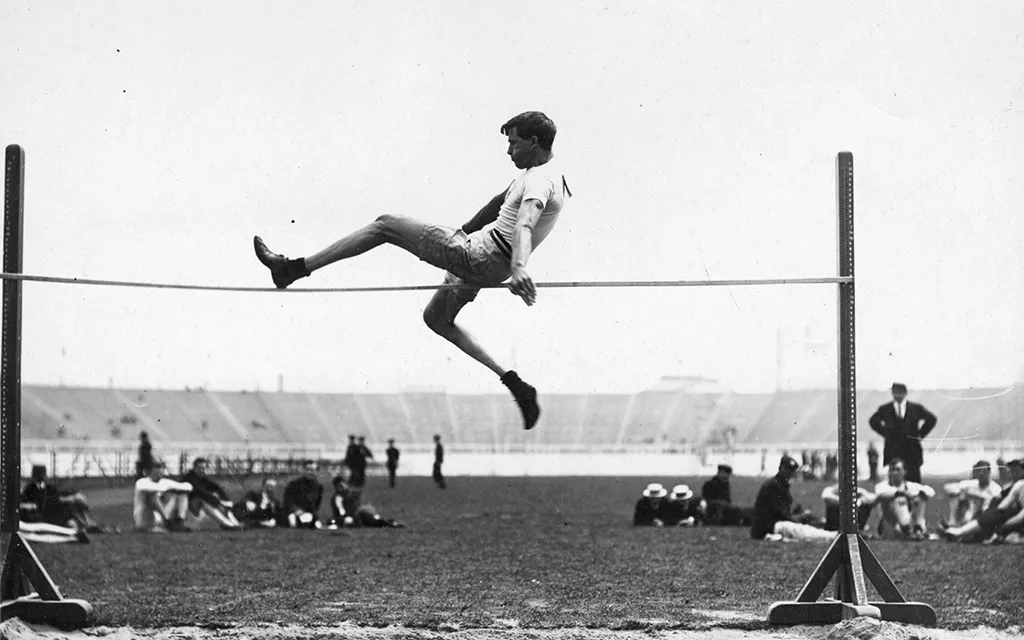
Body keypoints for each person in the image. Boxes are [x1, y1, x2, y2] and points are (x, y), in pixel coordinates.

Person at [253, 112, 571, 432]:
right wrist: (463, 230)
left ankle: (292, 269)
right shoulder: (541, 172)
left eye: (513, 144)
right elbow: (499, 203)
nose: (508, 151)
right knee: (436, 318)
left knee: (385, 225)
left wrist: (519, 268)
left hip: (482, 257)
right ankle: (515, 383)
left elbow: (526, 222)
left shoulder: (539, 181)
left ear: (533, 142)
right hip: (485, 258)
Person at [751, 456, 836, 542]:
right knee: (801, 530)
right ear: (780, 468)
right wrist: (801, 517)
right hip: (770, 527)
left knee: (804, 526)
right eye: (787, 469)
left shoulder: (779, 484)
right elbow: (782, 515)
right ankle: (831, 536)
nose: (789, 473)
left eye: (791, 470)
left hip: (772, 525)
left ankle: (829, 534)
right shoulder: (773, 486)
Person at [940, 458, 1024, 543]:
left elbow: (1015, 513)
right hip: (988, 517)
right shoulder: (1013, 485)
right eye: (1012, 470)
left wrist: (1000, 529)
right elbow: (1002, 506)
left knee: (996, 510)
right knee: (994, 507)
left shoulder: (1016, 485)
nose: (1013, 473)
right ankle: (956, 527)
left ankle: (960, 532)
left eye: (1016, 471)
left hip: (1010, 520)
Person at [868, 383, 937, 483]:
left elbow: (931, 419)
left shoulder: (916, 408)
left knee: (914, 483)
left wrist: (920, 435)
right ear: (892, 393)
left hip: (912, 452)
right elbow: (873, 421)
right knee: (894, 482)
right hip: (893, 451)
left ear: (905, 393)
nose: (897, 395)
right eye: (895, 393)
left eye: (900, 393)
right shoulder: (885, 409)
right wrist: (886, 433)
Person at [19, 465, 105, 533]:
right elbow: (45, 500)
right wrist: (68, 498)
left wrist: (75, 493)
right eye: (42, 475)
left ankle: (90, 524)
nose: (43, 477)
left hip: (54, 508)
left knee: (78, 504)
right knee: (69, 506)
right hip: (46, 513)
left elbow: (58, 493)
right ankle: (86, 526)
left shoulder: (48, 486)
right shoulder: (30, 489)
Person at [874, 458, 936, 540]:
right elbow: (880, 494)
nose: (895, 473)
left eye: (898, 470)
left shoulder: (911, 485)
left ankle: (917, 528)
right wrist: (903, 493)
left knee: (921, 496)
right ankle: (909, 530)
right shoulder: (882, 486)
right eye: (892, 470)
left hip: (910, 520)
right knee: (898, 499)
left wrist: (916, 494)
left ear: (905, 471)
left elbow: (931, 492)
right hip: (891, 524)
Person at [181, 457, 243, 530]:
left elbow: (217, 487)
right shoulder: (189, 478)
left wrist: (227, 500)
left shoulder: (203, 478)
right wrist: (217, 502)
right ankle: (225, 523)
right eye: (200, 468)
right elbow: (200, 492)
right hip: (188, 506)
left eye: (204, 468)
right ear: (194, 468)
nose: (202, 470)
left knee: (217, 500)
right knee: (205, 501)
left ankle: (235, 524)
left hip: (200, 504)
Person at [133, 461, 193, 532]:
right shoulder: (142, 482)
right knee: (151, 496)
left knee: (181, 495)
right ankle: (166, 521)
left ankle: (180, 521)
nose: (159, 476)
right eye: (156, 473)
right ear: (150, 473)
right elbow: (150, 489)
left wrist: (174, 488)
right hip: (144, 517)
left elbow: (188, 486)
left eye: (161, 473)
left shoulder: (164, 482)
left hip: (160, 516)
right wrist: (167, 488)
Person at [943, 460, 1002, 528]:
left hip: (984, 516)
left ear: (989, 472)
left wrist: (977, 496)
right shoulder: (972, 484)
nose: (981, 473)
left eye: (984, 471)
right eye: (979, 471)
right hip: (969, 513)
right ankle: (953, 523)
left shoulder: (996, 489)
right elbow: (948, 487)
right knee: (956, 495)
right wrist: (965, 494)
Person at [282, 461, 324, 529]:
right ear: (303, 470)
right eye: (307, 469)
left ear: (316, 471)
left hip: (308, 513)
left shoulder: (319, 487)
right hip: (295, 513)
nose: (309, 472)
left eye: (312, 470)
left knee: (316, 524)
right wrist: (295, 510)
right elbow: (287, 501)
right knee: (293, 522)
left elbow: (316, 506)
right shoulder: (293, 484)